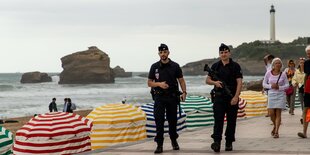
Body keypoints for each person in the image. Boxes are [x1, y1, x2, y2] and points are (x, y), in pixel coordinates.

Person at [147, 43, 187, 154]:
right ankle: (159, 145)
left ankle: (174, 141)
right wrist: (159, 84)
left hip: (172, 97)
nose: (163, 54)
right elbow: (149, 83)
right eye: (161, 52)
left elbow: (181, 80)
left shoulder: (175, 66)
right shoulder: (154, 66)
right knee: (159, 121)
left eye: (165, 52)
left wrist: (184, 92)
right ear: (158, 53)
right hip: (159, 97)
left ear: (168, 52)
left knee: (172, 121)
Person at [206, 43, 243, 152]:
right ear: (219, 54)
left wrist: (236, 97)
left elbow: (239, 82)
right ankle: (217, 142)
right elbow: (207, 80)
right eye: (221, 52)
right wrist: (215, 82)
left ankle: (229, 142)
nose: (223, 54)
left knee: (231, 121)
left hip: (232, 97)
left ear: (229, 53)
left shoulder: (235, 66)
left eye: (225, 52)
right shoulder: (215, 66)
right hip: (218, 98)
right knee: (218, 121)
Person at [263, 58, 289, 138]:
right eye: (276, 63)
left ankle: (276, 132)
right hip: (271, 95)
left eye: (279, 63)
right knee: (271, 114)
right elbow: (264, 84)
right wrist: (271, 86)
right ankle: (275, 126)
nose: (278, 64)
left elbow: (287, 85)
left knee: (278, 113)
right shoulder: (268, 73)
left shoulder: (283, 74)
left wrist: (279, 87)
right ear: (273, 65)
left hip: (280, 95)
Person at [298, 45, 310, 138]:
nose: (309, 54)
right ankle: (304, 132)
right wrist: (305, 88)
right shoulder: (306, 63)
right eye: (307, 53)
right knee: (306, 109)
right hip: (308, 89)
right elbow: (306, 76)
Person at [292, 58, 305, 124]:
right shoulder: (297, 71)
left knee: (306, 104)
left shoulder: (308, 70)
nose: (302, 64)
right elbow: (294, 79)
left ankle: (303, 117)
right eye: (301, 63)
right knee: (302, 104)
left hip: (307, 89)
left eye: (303, 63)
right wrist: (295, 83)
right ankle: (304, 116)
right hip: (300, 89)